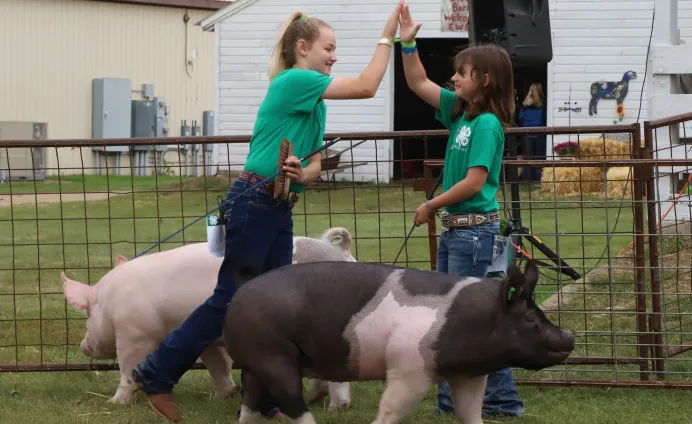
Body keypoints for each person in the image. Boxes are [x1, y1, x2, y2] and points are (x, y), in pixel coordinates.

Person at [130, 5, 403, 422]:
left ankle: (266, 399)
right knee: (232, 300)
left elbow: (312, 164)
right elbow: (368, 87)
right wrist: (389, 36)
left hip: (277, 205)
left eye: (336, 50)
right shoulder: (295, 80)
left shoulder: (314, 101)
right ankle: (156, 373)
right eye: (329, 48)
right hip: (254, 202)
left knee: (275, 308)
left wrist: (301, 171)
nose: (334, 56)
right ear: (302, 48)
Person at [400, 3, 525, 419]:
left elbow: (474, 182)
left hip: (474, 233)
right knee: (462, 316)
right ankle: (470, 401)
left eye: (461, 72)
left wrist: (431, 204)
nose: (452, 77)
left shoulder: (487, 124)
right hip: (462, 233)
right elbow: (417, 81)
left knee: (469, 318)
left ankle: (497, 401)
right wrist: (407, 41)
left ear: (484, 80)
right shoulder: (460, 112)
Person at [518, 82, 546, 182]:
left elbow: (520, 119)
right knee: (539, 158)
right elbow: (545, 119)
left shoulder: (524, 105)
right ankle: (538, 179)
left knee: (528, 158)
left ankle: (528, 179)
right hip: (539, 134)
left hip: (527, 134)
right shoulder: (542, 104)